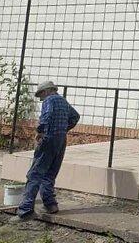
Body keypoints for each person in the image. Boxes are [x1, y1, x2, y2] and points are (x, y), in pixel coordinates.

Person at [17, 81, 80, 220]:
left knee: (35, 174)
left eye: (41, 95)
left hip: (48, 139)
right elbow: (75, 117)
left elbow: (46, 116)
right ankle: (51, 205)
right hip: (61, 140)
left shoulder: (49, 100)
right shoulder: (63, 101)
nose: (41, 99)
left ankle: (26, 210)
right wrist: (63, 129)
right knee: (50, 173)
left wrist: (40, 132)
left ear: (46, 91)